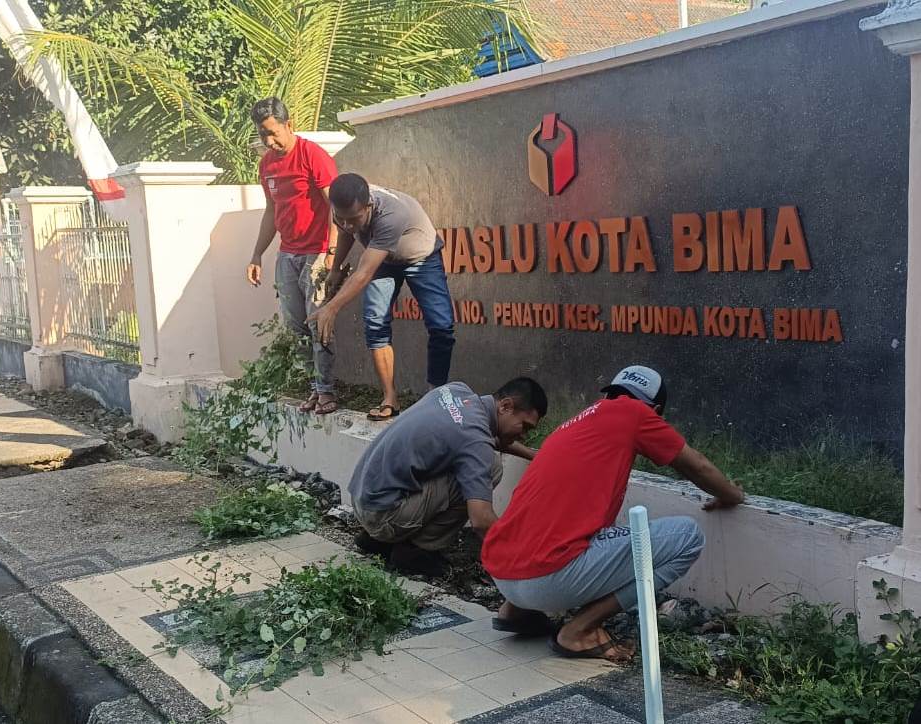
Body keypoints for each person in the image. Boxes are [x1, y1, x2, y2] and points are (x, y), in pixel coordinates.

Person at [481, 365, 745, 662]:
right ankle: (581, 630)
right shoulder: (636, 413)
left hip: (503, 574)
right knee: (687, 536)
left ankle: (516, 611)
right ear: (655, 409)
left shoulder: (577, 423)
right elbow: (696, 465)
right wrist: (732, 495)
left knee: (577, 526)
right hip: (546, 580)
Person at [348, 378, 547, 577]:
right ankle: (415, 550)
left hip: (363, 497)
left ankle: (379, 540)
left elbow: (487, 439)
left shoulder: (456, 391)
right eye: (525, 427)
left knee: (478, 463)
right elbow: (481, 520)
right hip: (382, 515)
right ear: (505, 406)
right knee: (492, 468)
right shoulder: (475, 440)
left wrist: (535, 456)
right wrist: (521, 557)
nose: (524, 435)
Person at [308, 173, 454, 421]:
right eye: (342, 218)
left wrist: (331, 308)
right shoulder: (344, 209)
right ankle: (390, 398)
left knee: (442, 325)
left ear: (369, 205)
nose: (348, 225)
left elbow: (364, 273)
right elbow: (345, 232)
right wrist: (335, 268)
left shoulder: (391, 214)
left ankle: (435, 396)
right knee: (375, 323)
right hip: (385, 259)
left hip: (421, 256)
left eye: (354, 219)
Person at [246, 97, 340, 415]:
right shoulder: (267, 165)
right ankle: (314, 388)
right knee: (295, 325)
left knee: (318, 323)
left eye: (274, 132)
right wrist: (257, 253)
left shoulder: (312, 156)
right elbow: (272, 212)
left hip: (316, 251)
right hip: (288, 253)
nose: (270, 141)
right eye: (263, 135)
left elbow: (335, 206)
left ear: (290, 124)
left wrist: (331, 251)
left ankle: (327, 391)